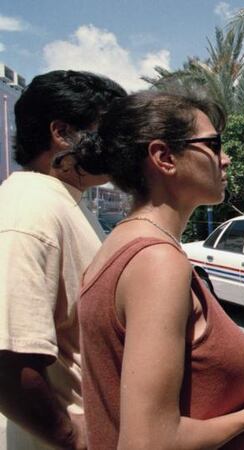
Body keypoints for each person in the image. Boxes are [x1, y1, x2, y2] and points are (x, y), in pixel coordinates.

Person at [75, 91, 244, 449]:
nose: (225, 159)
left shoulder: (119, 247)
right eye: (213, 145)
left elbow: (179, 397)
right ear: (164, 157)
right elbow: (150, 441)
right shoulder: (157, 262)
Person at [0, 70, 126, 449]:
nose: (121, 147)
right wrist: (70, 436)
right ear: (62, 133)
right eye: (109, 133)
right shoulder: (29, 211)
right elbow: (9, 359)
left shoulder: (64, 201)